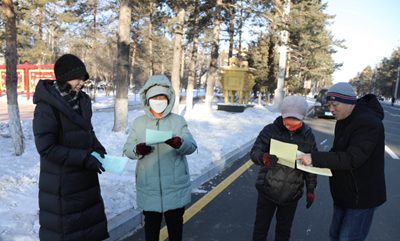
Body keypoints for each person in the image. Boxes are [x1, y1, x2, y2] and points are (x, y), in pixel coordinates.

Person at [32, 54, 109, 241]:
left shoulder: (81, 100)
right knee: (69, 232)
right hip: (62, 184)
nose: (81, 83)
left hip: (85, 181)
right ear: (64, 76)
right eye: (78, 78)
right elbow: (46, 148)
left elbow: (87, 132)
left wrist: (97, 148)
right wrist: (84, 157)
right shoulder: (47, 107)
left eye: (83, 79)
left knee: (88, 231)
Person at [296, 82, 386, 241]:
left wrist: (315, 158)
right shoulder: (345, 120)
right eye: (328, 104)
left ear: (350, 102)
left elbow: (351, 159)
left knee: (348, 238)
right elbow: (338, 152)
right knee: (335, 236)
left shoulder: (368, 122)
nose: (331, 110)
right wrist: (313, 160)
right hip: (344, 193)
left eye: (334, 105)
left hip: (361, 197)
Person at [123, 75, 197, 241]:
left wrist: (180, 143)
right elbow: (127, 149)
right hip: (149, 186)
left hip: (175, 186)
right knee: (151, 229)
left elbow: (191, 146)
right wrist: (137, 149)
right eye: (154, 97)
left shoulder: (178, 121)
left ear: (169, 99)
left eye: (162, 97)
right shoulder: (139, 122)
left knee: (176, 229)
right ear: (147, 99)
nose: (158, 101)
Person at [250, 95, 318, 241]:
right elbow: (255, 152)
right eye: (289, 117)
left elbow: (312, 166)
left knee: (284, 230)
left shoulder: (309, 137)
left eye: (297, 118)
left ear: (303, 116)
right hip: (267, 189)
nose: (292, 122)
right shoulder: (270, 130)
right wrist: (264, 158)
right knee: (260, 228)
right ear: (282, 114)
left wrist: (311, 189)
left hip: (291, 194)